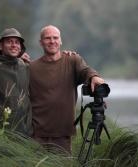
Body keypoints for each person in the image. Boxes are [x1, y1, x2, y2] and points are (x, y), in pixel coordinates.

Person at [29, 25, 105, 154]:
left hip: (63, 134)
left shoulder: (72, 60)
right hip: (36, 134)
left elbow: (85, 70)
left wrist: (94, 77)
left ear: (60, 40)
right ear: (41, 42)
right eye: (47, 38)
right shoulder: (31, 67)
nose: (52, 41)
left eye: (55, 38)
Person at [0, 28, 33, 136]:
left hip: (25, 132)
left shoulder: (25, 67)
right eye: (9, 42)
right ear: (0, 46)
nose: (14, 45)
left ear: (20, 47)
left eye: (17, 42)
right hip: (1, 131)